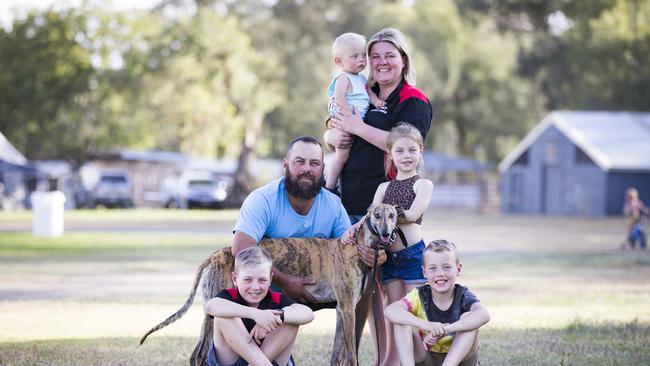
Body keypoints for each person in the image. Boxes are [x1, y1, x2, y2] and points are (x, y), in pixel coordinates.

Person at [325, 27, 433, 366]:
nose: (381, 62)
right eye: (375, 56)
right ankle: (348, 359)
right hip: (349, 200)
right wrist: (334, 136)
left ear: (403, 60)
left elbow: (405, 143)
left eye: (390, 55)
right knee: (355, 291)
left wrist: (357, 129)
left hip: (385, 207)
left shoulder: (412, 100)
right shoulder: (361, 90)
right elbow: (333, 125)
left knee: (385, 290)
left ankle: (392, 361)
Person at [231, 135, 352, 305]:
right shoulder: (263, 199)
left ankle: (351, 333)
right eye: (300, 162)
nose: (307, 169)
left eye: (314, 163)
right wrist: (284, 281)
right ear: (285, 164)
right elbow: (241, 248)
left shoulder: (333, 204)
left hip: (316, 284)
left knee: (363, 282)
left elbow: (348, 248)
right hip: (271, 285)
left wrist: (372, 255)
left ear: (323, 168)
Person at [384, 240, 490, 366]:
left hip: (461, 359)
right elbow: (390, 311)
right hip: (427, 357)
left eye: (446, 267)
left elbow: (484, 314)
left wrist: (446, 329)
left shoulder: (463, 296)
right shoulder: (419, 295)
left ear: (458, 269)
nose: (440, 273)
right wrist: (427, 325)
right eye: (433, 268)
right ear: (424, 272)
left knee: (469, 318)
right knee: (402, 321)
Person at [204, 246, 315, 366]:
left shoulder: (277, 299)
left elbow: (308, 313)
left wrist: (275, 317)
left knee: (290, 318)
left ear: (270, 279)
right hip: (232, 360)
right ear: (235, 279)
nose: (255, 287)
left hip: (270, 357)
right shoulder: (229, 296)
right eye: (248, 280)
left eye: (262, 280)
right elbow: (211, 306)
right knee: (223, 315)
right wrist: (257, 315)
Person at [325, 32, 384, 193]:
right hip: (346, 122)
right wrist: (349, 119)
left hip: (356, 123)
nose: (361, 60)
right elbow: (338, 98)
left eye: (363, 55)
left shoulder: (362, 79)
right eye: (355, 56)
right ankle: (329, 186)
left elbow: (369, 94)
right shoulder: (343, 78)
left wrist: (377, 101)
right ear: (339, 61)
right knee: (342, 156)